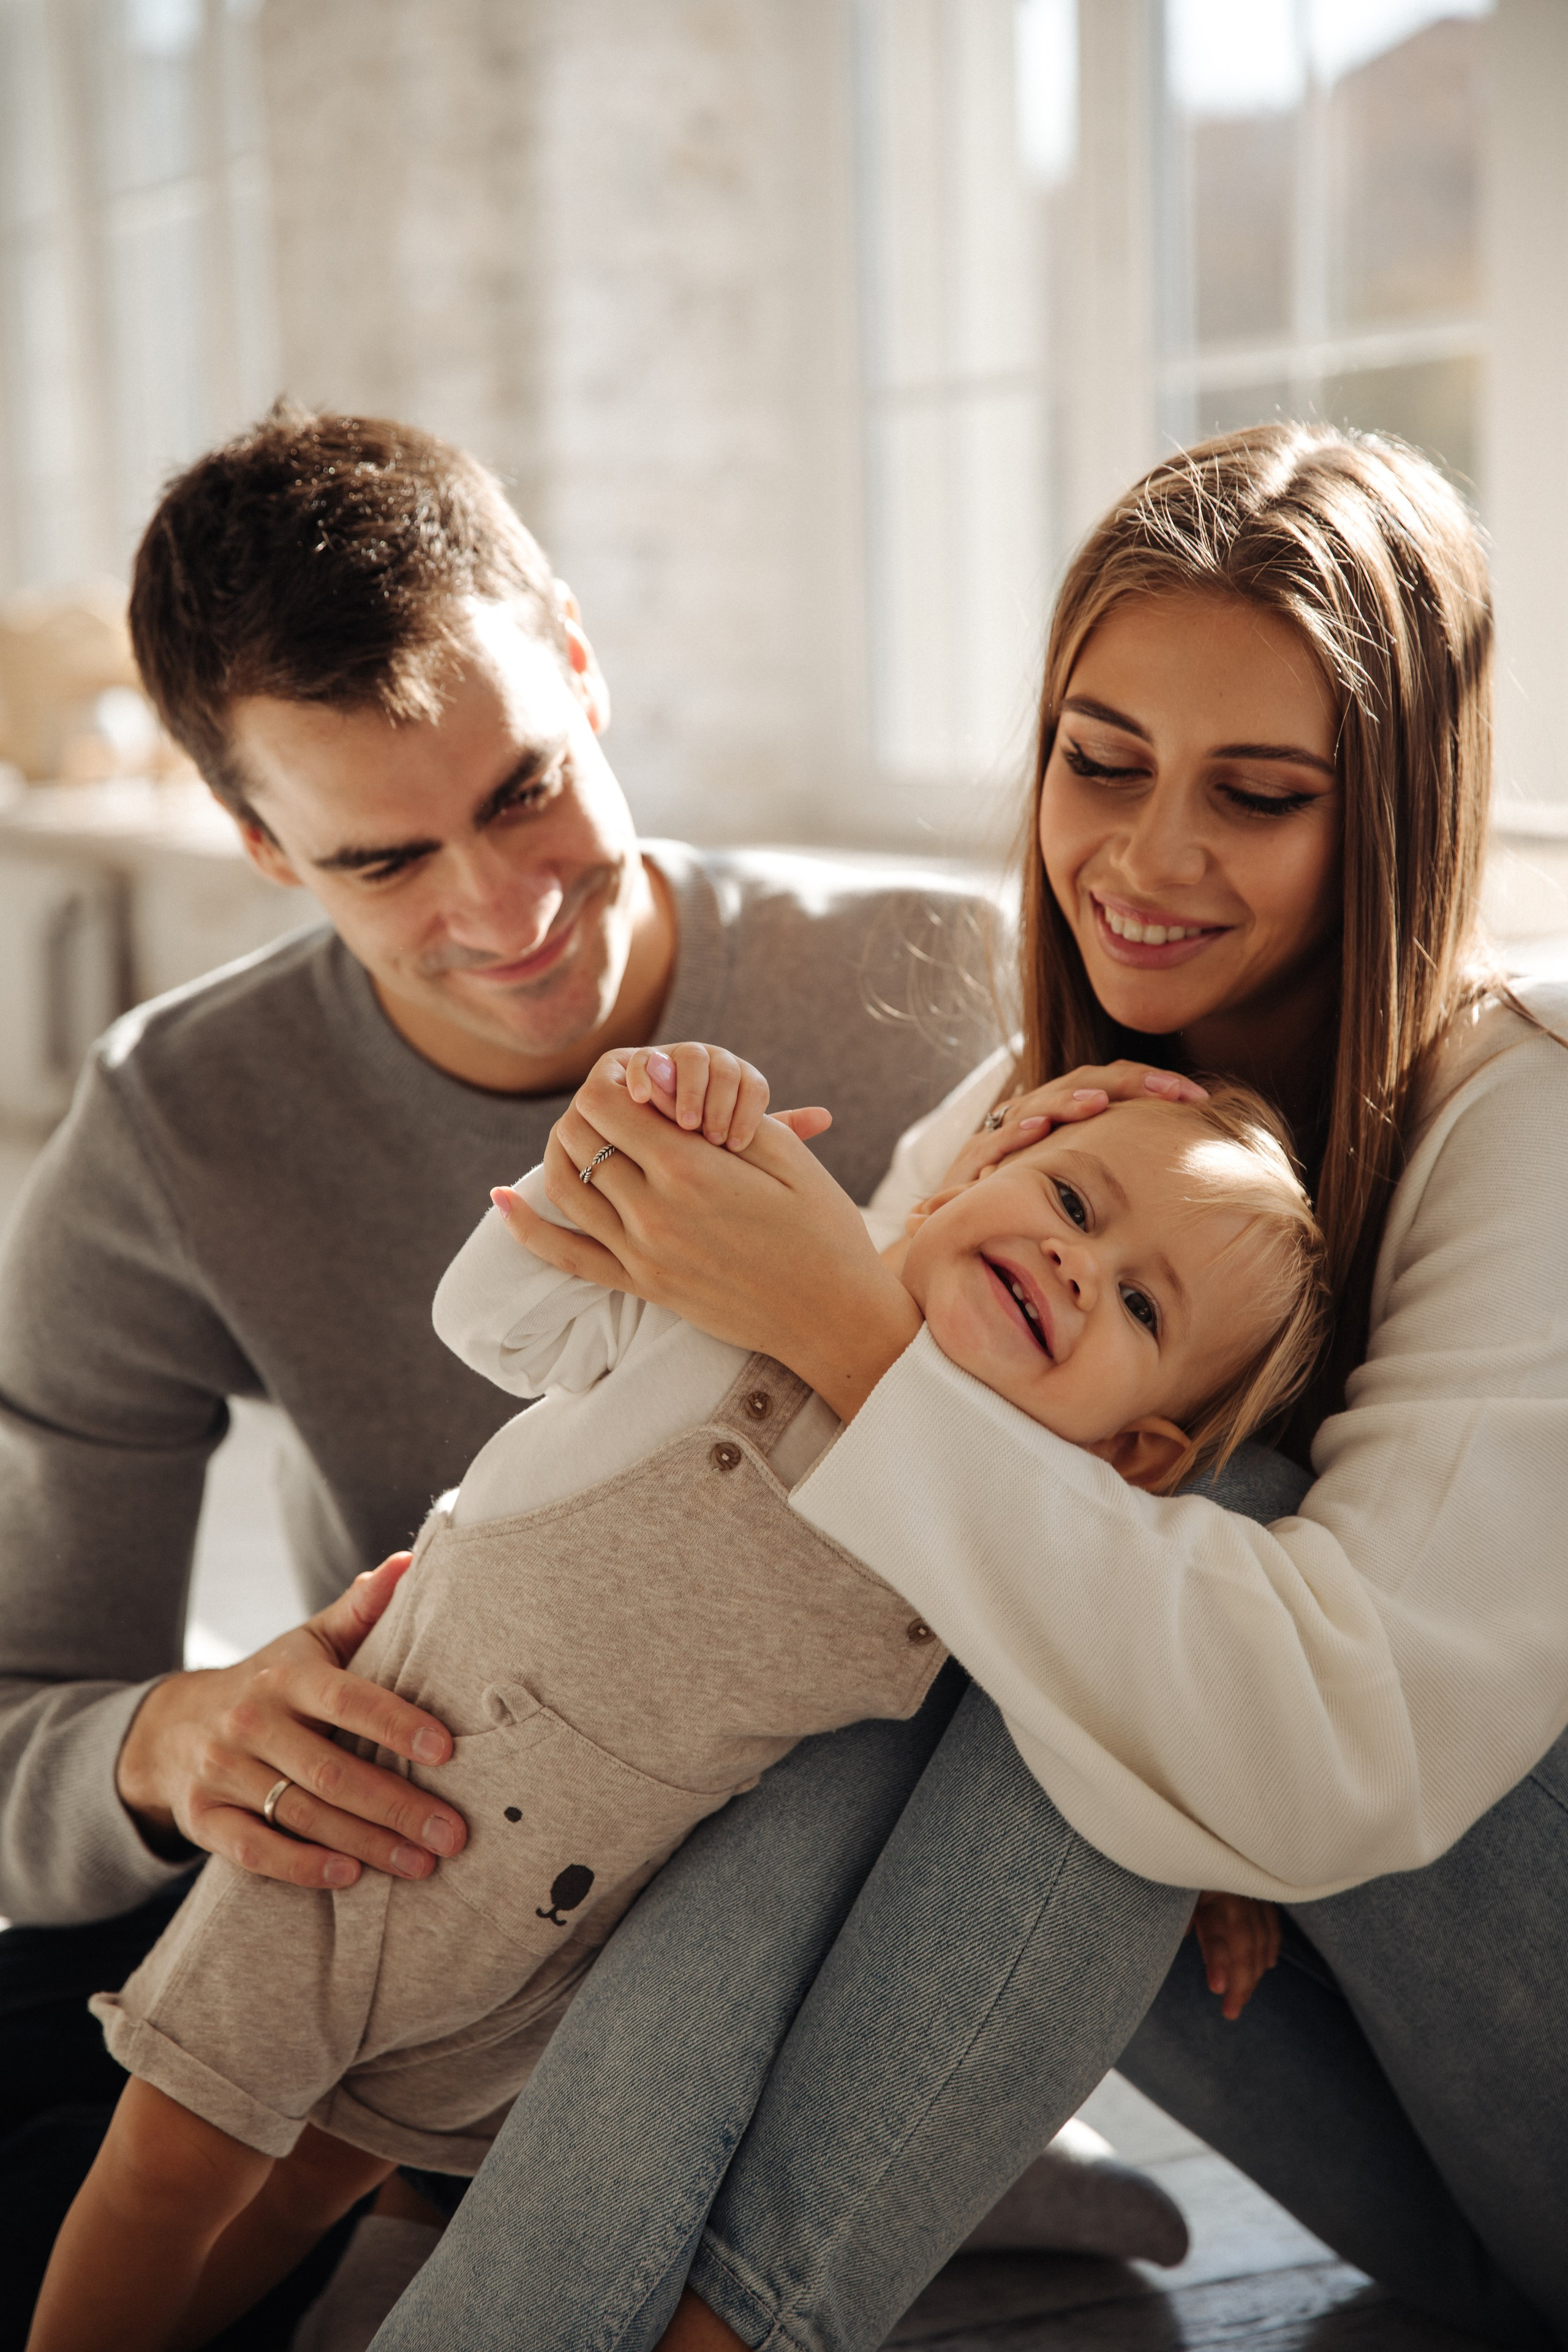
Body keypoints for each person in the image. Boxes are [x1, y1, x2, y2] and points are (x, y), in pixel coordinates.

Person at [366, 422, 1568, 2352]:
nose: (1149, 858)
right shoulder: (1044, 1112)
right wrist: (444, 1643)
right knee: (920, 1588)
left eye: (1257, 796)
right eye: (1102, 764)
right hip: (1438, 2209)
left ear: (1394, 816)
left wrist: (863, 1338)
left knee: (1146, 1527)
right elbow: (775, 1555)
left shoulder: (1532, 1110)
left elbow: (1338, 1740)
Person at [0, 403, 1006, 2343]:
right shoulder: (176, 1125)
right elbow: (20, 1712)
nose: (505, 908)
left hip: (830, 1896)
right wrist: (170, 1739)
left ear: (577, 651)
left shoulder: (936, 989)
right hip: (420, 1922)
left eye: (528, 787)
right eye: (383, 860)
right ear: (257, 846)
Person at [29, 1038, 1321, 2352]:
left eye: (1140, 1308)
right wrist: (601, 1157)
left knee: (311, 2188)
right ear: (962, 1178)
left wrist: (1205, 1862)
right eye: (1070, 1202)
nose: (1074, 1264)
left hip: (549, 1953)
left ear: (1129, 1456)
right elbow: (488, 1318)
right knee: (167, 2171)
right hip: (357, 1817)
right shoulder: (723, 1295)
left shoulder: (959, 1572)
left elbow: (1079, 1721)